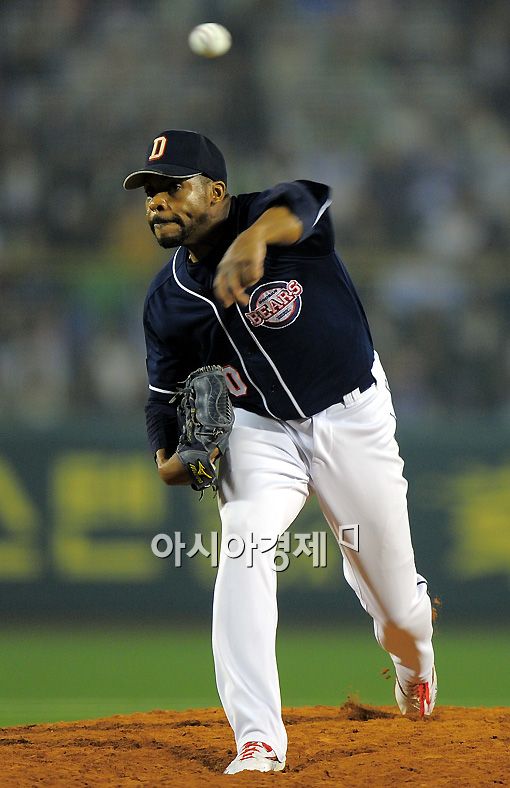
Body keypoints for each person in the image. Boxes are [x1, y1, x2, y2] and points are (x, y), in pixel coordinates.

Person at [123, 129, 436, 775]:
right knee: (243, 546)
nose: (156, 202)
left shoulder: (275, 216)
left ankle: (415, 665)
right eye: (150, 191)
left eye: (172, 186)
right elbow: (162, 399)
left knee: (399, 612)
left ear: (216, 191)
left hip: (351, 417)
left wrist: (256, 239)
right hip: (258, 432)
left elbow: (309, 199)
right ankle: (257, 739)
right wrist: (167, 459)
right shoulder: (168, 300)